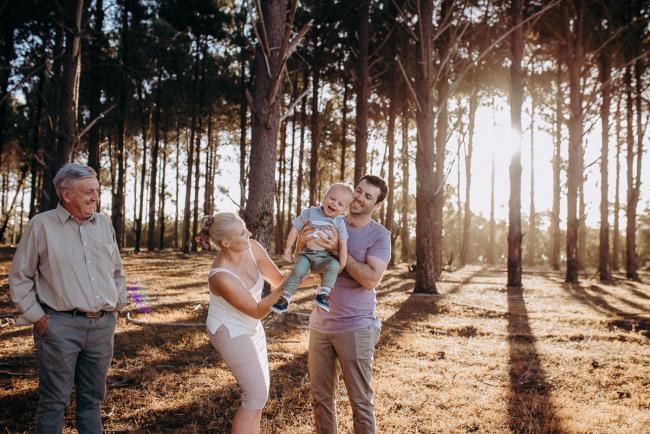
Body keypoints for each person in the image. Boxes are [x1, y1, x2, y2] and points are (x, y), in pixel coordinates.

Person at [9, 163, 127, 433]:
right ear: (66, 194)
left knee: (93, 401)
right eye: (88, 192)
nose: (95, 197)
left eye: (97, 191)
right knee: (54, 402)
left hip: (102, 327)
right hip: (59, 327)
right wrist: (38, 318)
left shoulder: (104, 223)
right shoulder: (41, 225)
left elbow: (118, 270)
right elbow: (19, 277)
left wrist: (117, 307)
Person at [304, 175, 391, 434]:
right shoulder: (331, 220)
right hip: (321, 324)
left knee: (360, 403)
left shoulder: (379, 235)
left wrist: (338, 251)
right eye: (359, 191)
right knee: (321, 400)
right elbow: (308, 257)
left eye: (368, 197)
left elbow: (370, 279)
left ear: (376, 205)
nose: (359, 198)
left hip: (356, 327)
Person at [195, 212, 286, 434]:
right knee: (255, 395)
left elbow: (278, 280)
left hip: (251, 326)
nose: (250, 233)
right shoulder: (220, 276)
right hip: (229, 330)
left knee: (259, 396)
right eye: (243, 232)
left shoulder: (252, 247)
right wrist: (290, 287)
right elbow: (257, 311)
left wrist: (310, 275)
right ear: (226, 243)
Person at [272, 183, 354, 314]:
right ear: (324, 196)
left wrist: (342, 264)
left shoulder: (339, 222)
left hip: (324, 258)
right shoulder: (310, 212)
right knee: (297, 271)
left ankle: (323, 294)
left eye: (340, 204)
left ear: (344, 210)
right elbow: (295, 228)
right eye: (332, 199)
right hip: (306, 255)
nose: (334, 204)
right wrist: (288, 248)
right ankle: (285, 299)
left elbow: (343, 244)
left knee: (334, 264)